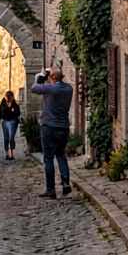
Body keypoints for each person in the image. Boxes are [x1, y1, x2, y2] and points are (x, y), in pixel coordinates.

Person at [30, 67, 74, 198]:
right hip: (63, 126)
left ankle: (51, 189)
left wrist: (42, 76)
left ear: (53, 77)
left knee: (48, 158)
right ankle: (66, 182)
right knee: (61, 154)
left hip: (50, 126)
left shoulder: (50, 89)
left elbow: (34, 87)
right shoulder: (69, 88)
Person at [0, 90, 22, 160]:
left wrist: (14, 112)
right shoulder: (3, 102)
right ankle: (7, 153)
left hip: (12, 121)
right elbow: (0, 112)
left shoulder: (14, 103)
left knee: (11, 137)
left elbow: (18, 113)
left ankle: (11, 151)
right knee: (6, 138)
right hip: (4, 121)